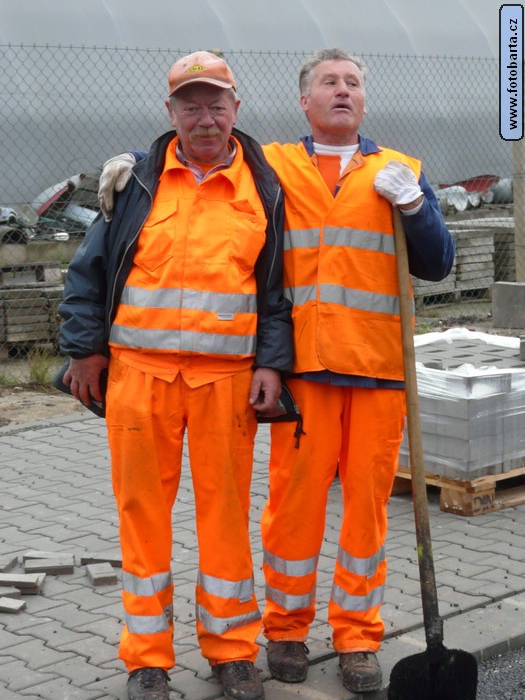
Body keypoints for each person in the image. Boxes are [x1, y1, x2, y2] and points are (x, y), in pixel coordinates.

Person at [97, 47, 455, 695]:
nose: (341, 91)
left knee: (367, 515)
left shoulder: (401, 170)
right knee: (292, 510)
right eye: (328, 82)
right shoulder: (275, 168)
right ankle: (285, 631)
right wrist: (133, 162)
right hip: (303, 374)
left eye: (352, 82)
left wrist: (415, 208)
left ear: (364, 99)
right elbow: (200, 151)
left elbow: (436, 263)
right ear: (303, 101)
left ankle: (357, 637)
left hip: (377, 369)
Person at [58, 51, 293, 700]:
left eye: (216, 104)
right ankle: (147, 659)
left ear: (236, 109)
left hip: (227, 383)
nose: (205, 118)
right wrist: (84, 351)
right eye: (191, 106)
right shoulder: (134, 183)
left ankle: (232, 652)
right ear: (170, 112)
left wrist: (272, 364)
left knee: (225, 518)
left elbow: (277, 290)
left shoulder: (264, 189)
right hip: (140, 378)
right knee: (142, 517)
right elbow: (87, 273)